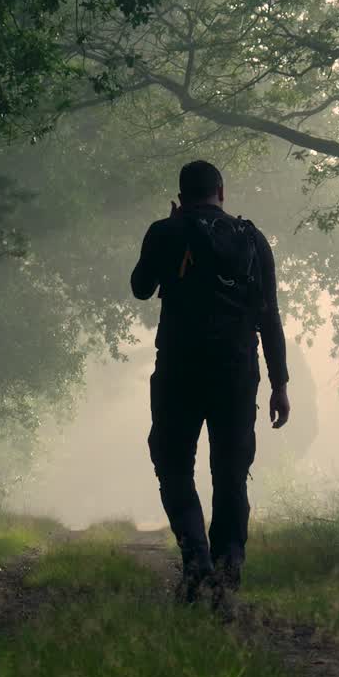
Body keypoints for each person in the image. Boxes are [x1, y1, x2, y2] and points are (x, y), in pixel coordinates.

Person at [131, 160, 291, 606]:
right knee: (231, 472)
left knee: (174, 465)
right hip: (237, 371)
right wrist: (279, 383)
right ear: (221, 190)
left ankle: (197, 562)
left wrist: (168, 228)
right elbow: (269, 316)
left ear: (181, 195)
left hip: (179, 369)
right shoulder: (252, 239)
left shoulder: (165, 232)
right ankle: (228, 567)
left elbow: (141, 288)